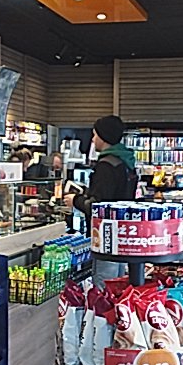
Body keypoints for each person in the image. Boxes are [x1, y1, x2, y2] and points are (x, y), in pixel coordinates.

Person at [64, 115, 137, 288]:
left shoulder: (106, 165)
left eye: (95, 135)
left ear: (104, 137)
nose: (92, 139)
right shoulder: (125, 162)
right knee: (117, 283)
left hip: (106, 235)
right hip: (122, 233)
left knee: (104, 284)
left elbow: (99, 206)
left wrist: (76, 200)